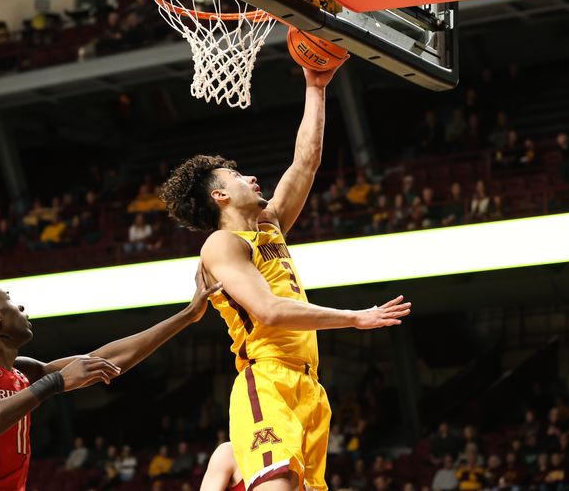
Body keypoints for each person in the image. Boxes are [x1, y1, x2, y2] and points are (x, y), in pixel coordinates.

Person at [159, 67, 410, 491]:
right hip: (268, 378)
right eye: (238, 177)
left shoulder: (269, 224)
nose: (252, 178)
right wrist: (353, 318)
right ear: (219, 196)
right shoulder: (221, 245)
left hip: (309, 388)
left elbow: (306, 163)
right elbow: (269, 311)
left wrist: (316, 85)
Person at [0, 270, 221, 491]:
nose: (20, 307)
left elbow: (105, 361)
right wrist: (54, 383)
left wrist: (189, 315)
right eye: (10, 301)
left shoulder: (21, 371)